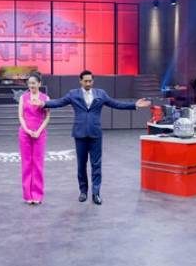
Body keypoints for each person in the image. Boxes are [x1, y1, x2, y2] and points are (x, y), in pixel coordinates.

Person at [32, 70, 151, 205]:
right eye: (86, 81)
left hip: (95, 134)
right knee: (81, 165)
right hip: (80, 134)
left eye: (90, 81)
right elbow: (59, 102)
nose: (88, 83)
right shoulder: (73, 94)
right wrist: (43, 104)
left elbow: (116, 104)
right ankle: (83, 191)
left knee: (96, 165)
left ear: (93, 81)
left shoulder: (101, 94)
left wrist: (134, 105)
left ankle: (96, 193)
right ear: (80, 81)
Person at [18, 72, 51, 205]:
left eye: (33, 83)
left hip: (39, 134)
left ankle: (37, 195)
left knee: (38, 164)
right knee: (26, 164)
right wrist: (27, 130)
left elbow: (47, 117)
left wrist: (38, 131)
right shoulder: (23, 97)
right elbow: (21, 116)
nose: (31, 85)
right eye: (29, 83)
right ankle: (28, 195)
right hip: (25, 134)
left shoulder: (45, 98)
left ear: (39, 83)